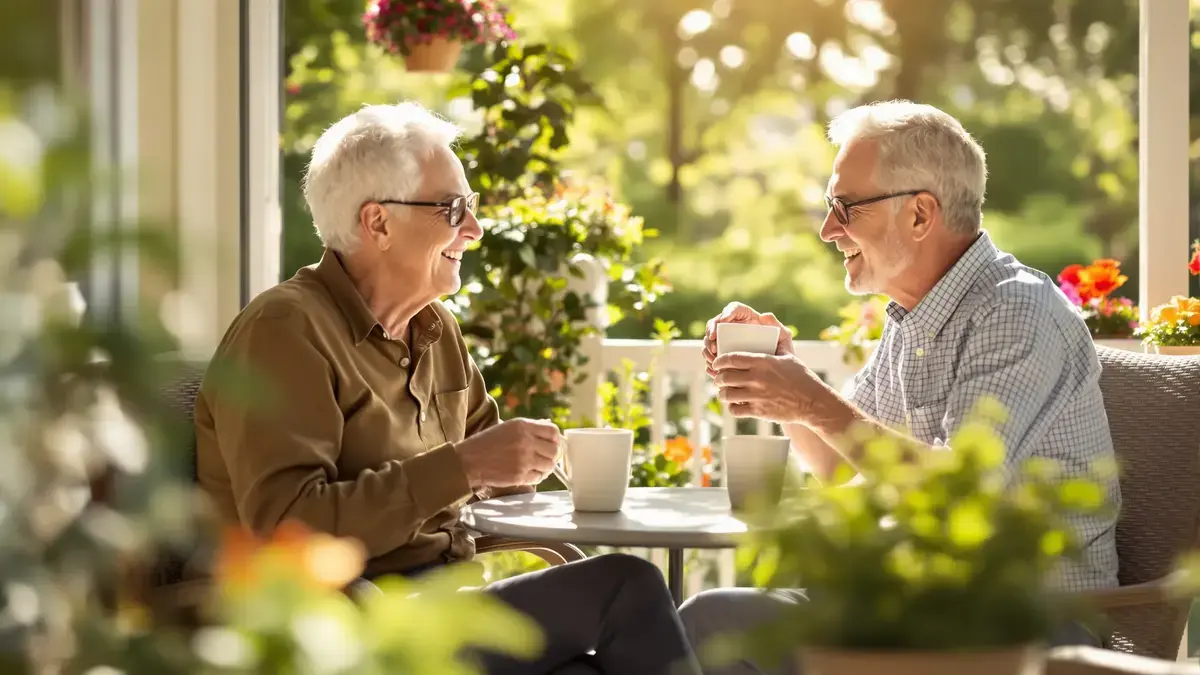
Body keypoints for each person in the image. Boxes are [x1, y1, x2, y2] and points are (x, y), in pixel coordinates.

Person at [193, 102, 701, 675]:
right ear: (377, 223)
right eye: (453, 208)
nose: (476, 230)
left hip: (442, 607)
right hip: (348, 631)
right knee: (624, 587)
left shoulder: (434, 330)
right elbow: (288, 528)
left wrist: (549, 468)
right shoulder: (286, 330)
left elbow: (499, 474)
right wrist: (463, 467)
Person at [679, 100, 1121, 674]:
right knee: (707, 623)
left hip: (1026, 623)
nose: (827, 229)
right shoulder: (916, 318)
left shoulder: (1015, 312)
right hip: (921, 610)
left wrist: (810, 400)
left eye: (846, 207)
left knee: (715, 630)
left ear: (919, 214)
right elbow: (845, 464)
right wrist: (786, 382)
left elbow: (960, 497)